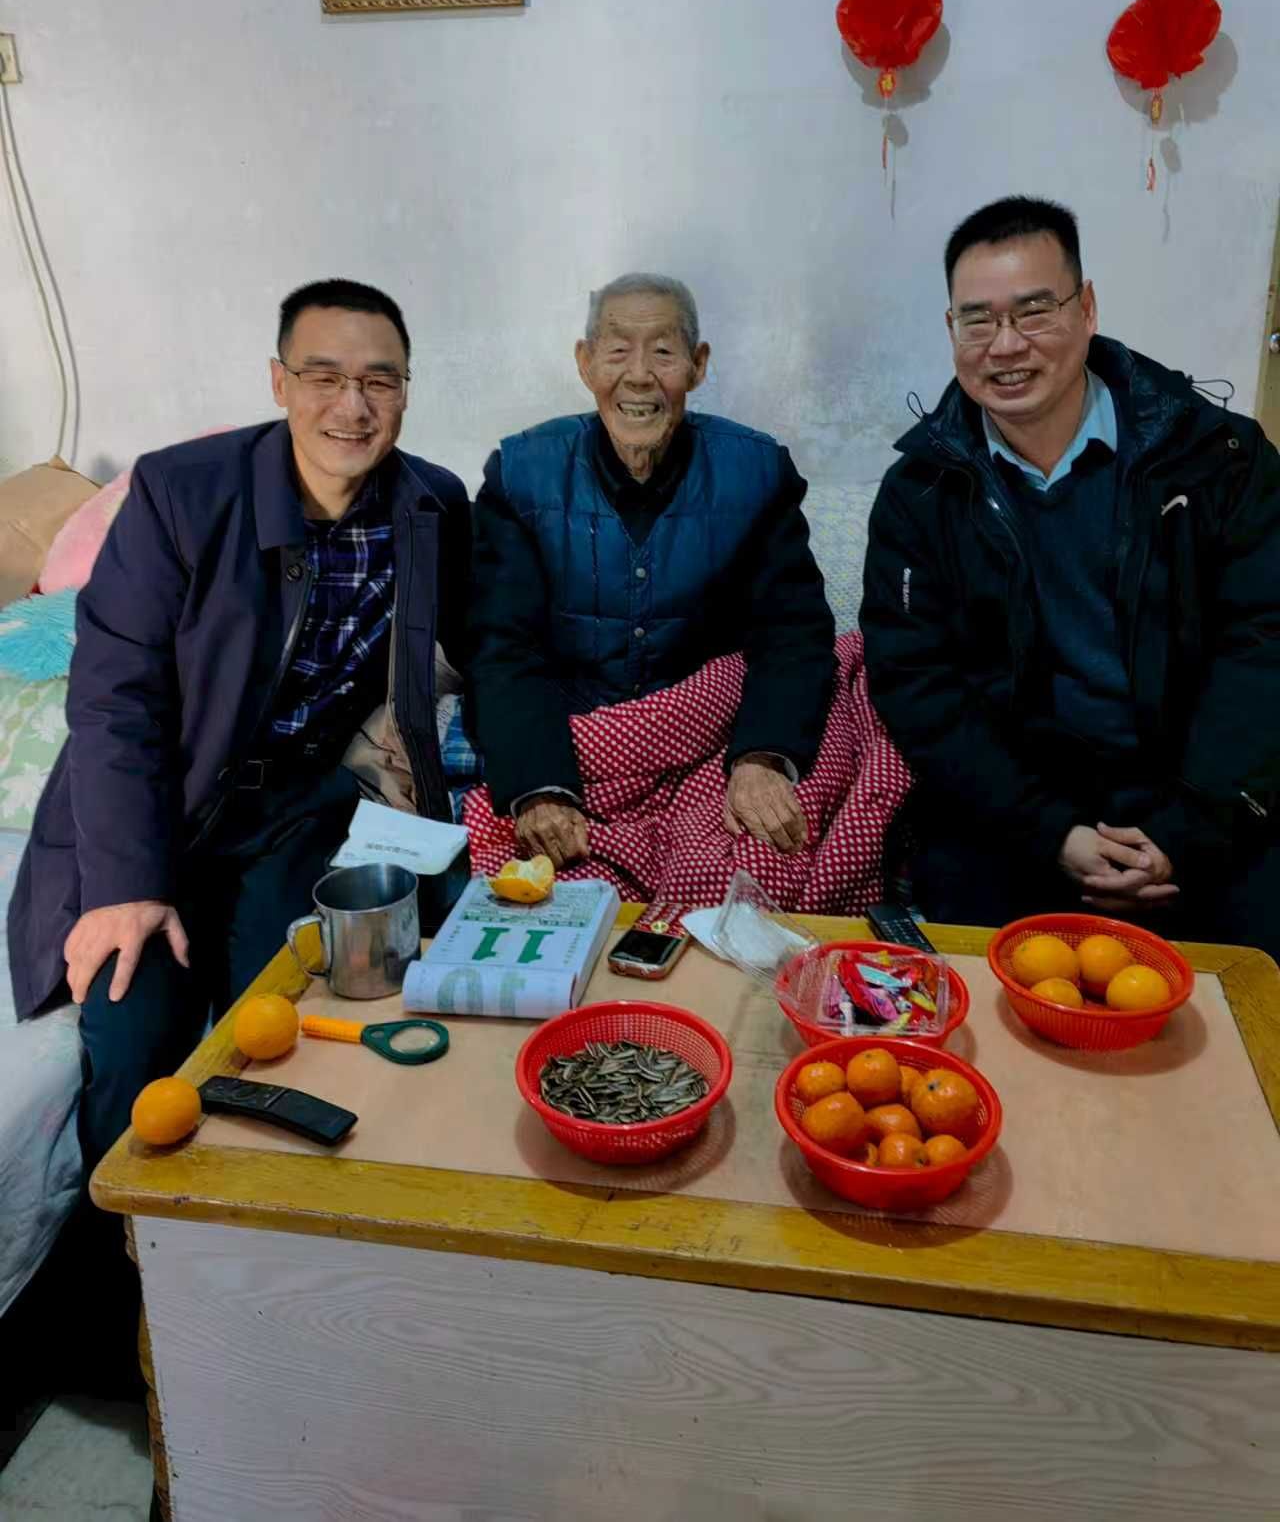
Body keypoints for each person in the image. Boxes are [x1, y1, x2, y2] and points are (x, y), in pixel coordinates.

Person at [8, 279, 471, 1170]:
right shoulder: (181, 493)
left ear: (406, 390)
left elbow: (491, 646)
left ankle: (264, 1230)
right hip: (157, 812)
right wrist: (126, 886)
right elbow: (114, 700)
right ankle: (128, 1240)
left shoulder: (432, 505)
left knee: (291, 1026)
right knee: (138, 1053)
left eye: (379, 381)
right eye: (324, 376)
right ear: (279, 381)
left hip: (295, 814)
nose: (352, 406)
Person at [861, 196, 1280, 952]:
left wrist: (1189, 825)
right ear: (951, 330)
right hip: (1019, 812)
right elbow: (916, 685)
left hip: (1197, 793)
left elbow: (1264, 647)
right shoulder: (920, 493)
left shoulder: (1218, 459)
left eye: (1034, 312)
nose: (1006, 346)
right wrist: (1053, 831)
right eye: (978, 321)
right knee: (968, 988)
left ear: (1086, 310)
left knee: (1250, 984)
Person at [468, 273, 835, 868]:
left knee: (783, 853)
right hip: (568, 745)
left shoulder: (757, 473)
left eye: (663, 351)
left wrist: (762, 758)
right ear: (586, 364)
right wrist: (540, 788)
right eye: (617, 350)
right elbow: (503, 648)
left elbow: (793, 634)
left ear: (698, 364)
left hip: (711, 747)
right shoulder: (522, 475)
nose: (639, 375)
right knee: (533, 874)